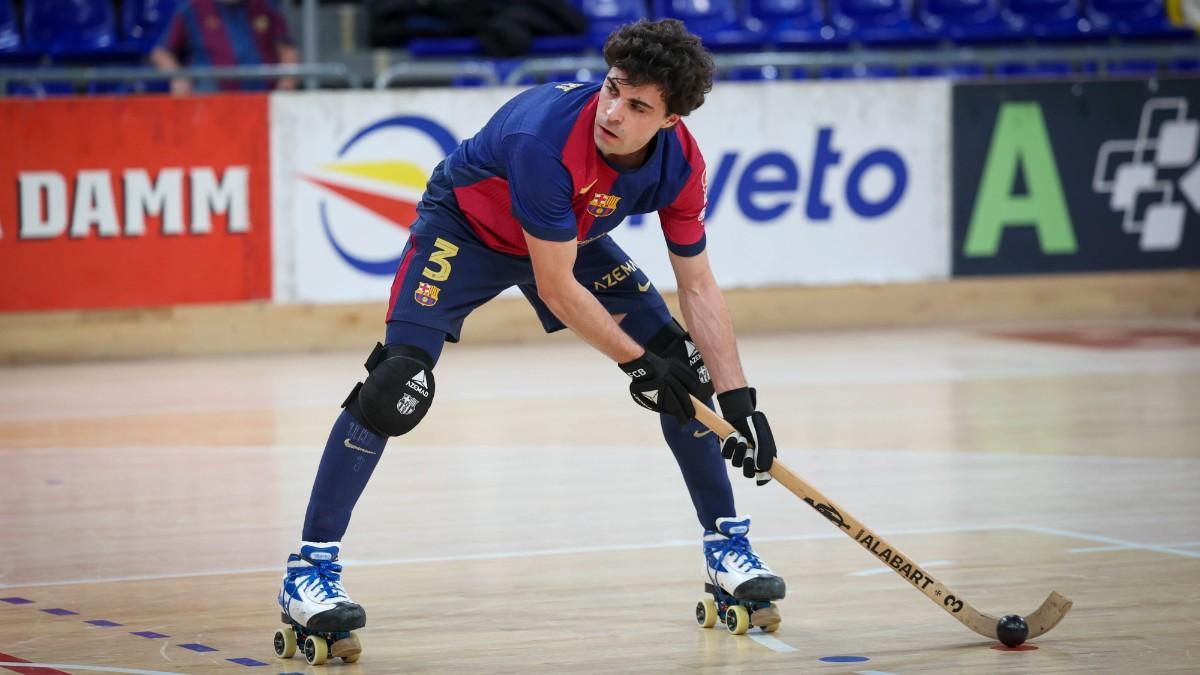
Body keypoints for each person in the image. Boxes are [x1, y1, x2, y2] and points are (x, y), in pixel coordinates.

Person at [276, 18, 784, 658]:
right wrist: (638, 365)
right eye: (612, 88)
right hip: (467, 232)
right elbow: (556, 286)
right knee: (395, 385)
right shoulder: (544, 140)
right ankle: (309, 573)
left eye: (636, 105)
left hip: (571, 239)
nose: (612, 111)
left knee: (687, 369)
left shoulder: (681, 163)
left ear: (671, 121)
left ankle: (726, 551)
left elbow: (700, 286)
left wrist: (739, 400)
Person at [149, 0, 298, 95]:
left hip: (262, 99)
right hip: (210, 101)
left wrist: (286, 86)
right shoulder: (193, 7)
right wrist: (178, 77)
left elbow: (288, 52)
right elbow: (161, 52)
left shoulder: (266, 5)